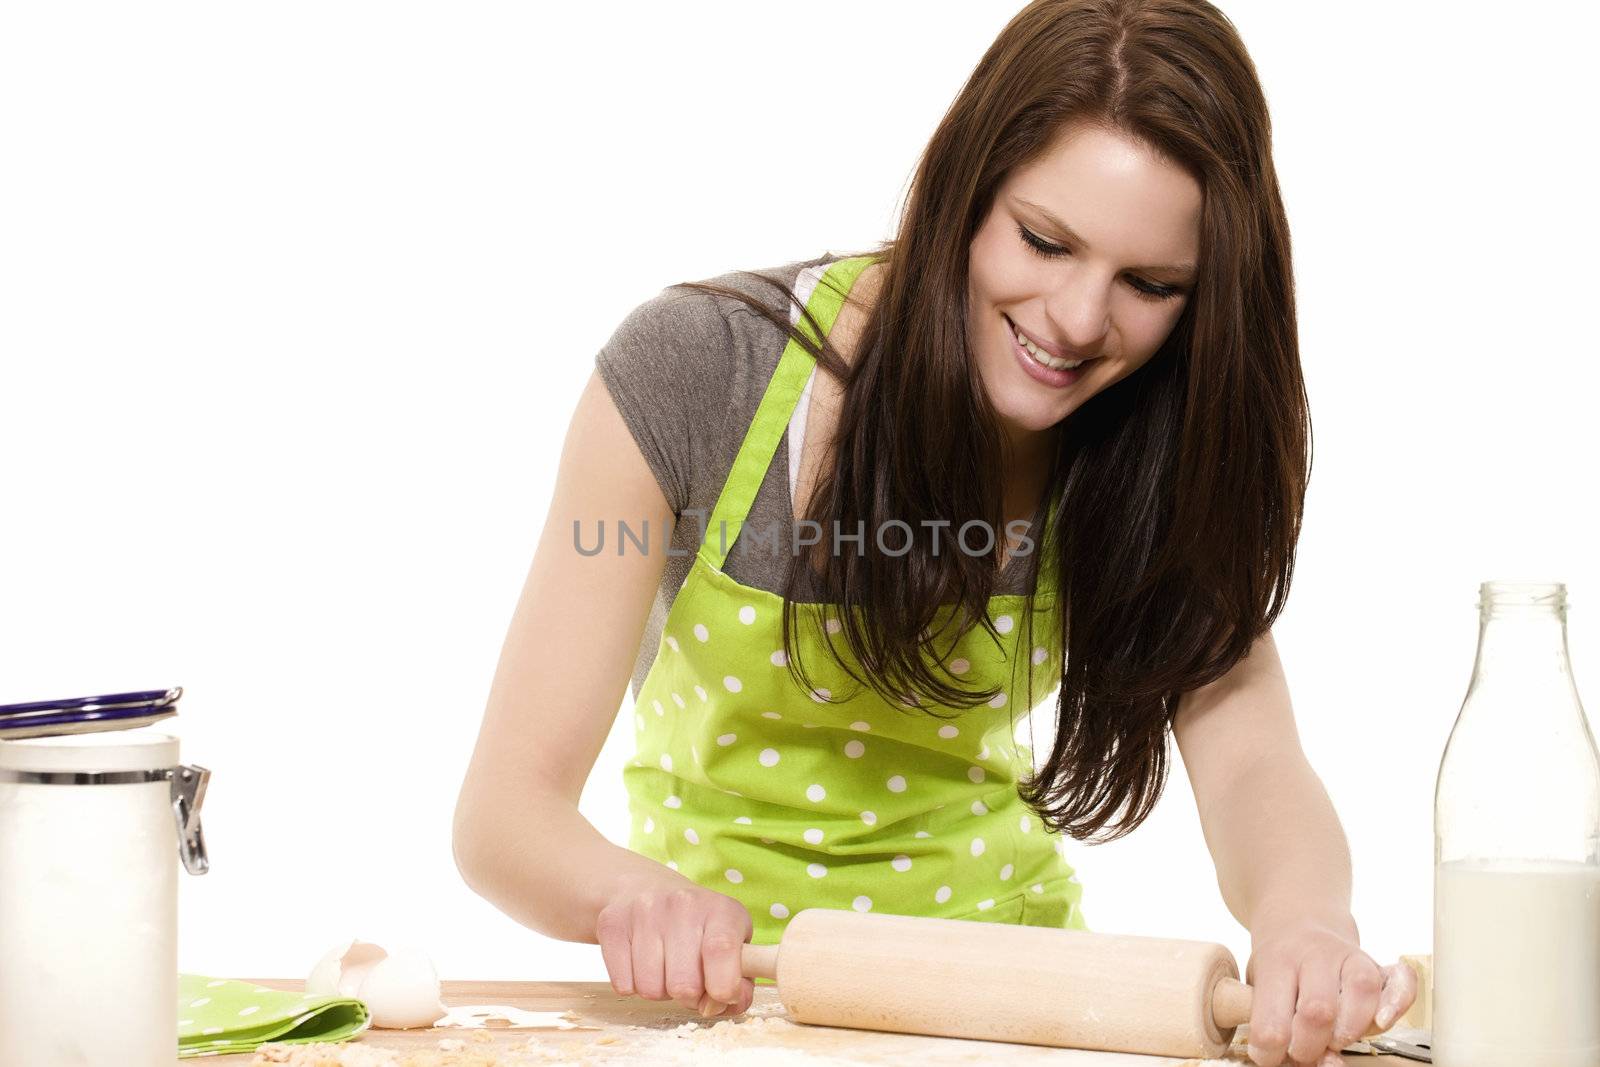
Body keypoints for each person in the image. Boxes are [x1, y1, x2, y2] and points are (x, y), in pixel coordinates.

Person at [453, 1, 1417, 1064]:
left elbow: (1253, 766)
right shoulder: (696, 375)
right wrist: (630, 898)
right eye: (1044, 241)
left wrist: (1306, 925)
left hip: (1017, 1012)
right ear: (963, 192)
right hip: (726, 1015)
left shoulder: (1153, 448)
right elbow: (506, 811)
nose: (1077, 319)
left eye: (1149, 285)